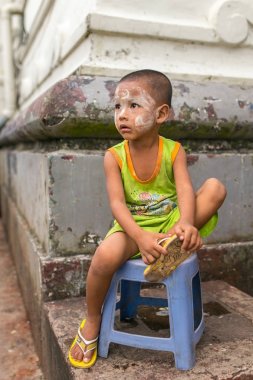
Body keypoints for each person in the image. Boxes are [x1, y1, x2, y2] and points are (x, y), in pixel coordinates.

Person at [68, 69, 227, 368]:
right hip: (134, 227)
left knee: (215, 188)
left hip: (171, 222)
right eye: (117, 107)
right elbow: (117, 204)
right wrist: (139, 237)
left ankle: (175, 243)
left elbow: (184, 190)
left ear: (161, 113)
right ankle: (91, 319)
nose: (122, 115)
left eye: (133, 105)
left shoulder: (173, 151)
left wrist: (187, 223)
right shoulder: (113, 156)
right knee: (103, 257)